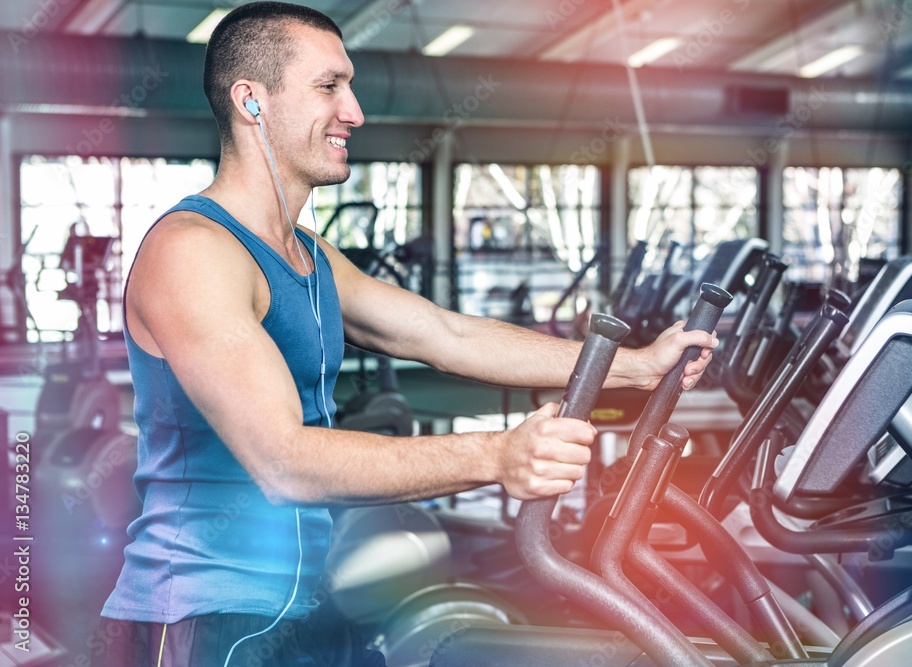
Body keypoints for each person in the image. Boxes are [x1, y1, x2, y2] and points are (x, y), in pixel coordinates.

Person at [95, 2, 718, 665]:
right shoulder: (193, 249)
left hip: (309, 603)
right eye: (329, 86)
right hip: (206, 617)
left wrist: (638, 365)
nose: (355, 111)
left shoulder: (309, 254)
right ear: (251, 102)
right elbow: (284, 460)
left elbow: (446, 335)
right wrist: (497, 455)